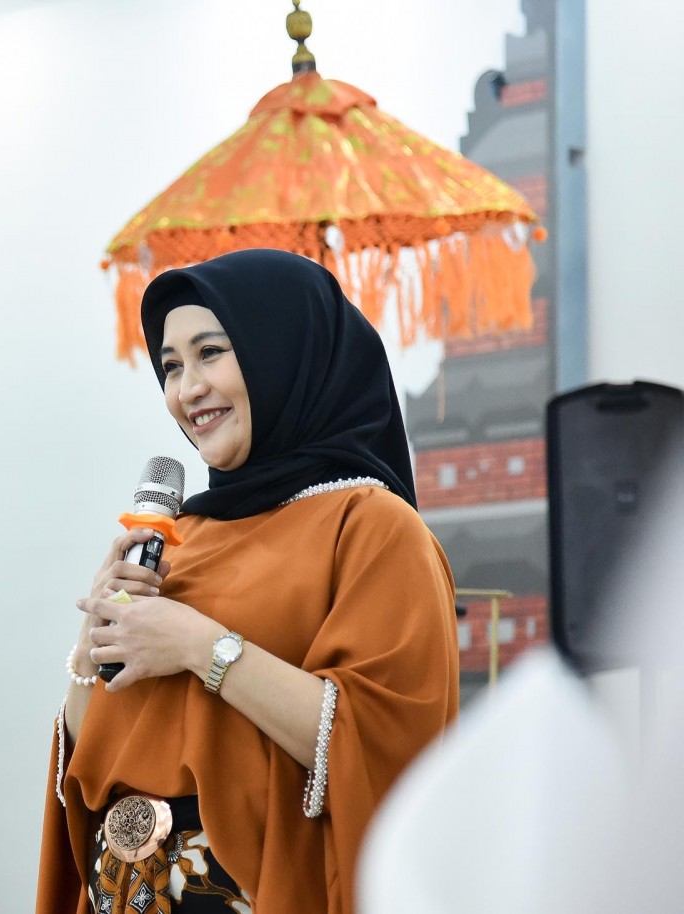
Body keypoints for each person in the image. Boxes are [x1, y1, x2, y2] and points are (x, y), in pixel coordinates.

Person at [36, 249, 459, 914]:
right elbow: (90, 760)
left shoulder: (373, 527)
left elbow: (383, 744)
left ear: (282, 353)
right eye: (171, 365)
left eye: (211, 353)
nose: (187, 388)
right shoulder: (181, 536)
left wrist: (200, 647)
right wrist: (93, 646)